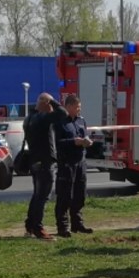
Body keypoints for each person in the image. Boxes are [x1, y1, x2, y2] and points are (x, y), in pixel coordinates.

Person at [23, 93, 68, 241]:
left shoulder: (29, 118)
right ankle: (38, 228)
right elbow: (63, 113)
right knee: (43, 196)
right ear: (45, 103)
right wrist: (53, 102)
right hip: (44, 161)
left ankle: (30, 225)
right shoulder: (42, 118)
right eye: (49, 103)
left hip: (35, 161)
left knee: (37, 195)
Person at [53, 94, 93, 238]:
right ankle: (63, 227)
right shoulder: (60, 122)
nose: (79, 110)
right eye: (76, 107)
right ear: (68, 106)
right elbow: (57, 143)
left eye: (80, 107)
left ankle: (77, 224)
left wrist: (87, 140)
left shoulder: (81, 121)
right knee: (65, 196)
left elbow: (85, 135)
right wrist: (73, 142)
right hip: (67, 163)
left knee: (79, 194)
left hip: (80, 161)